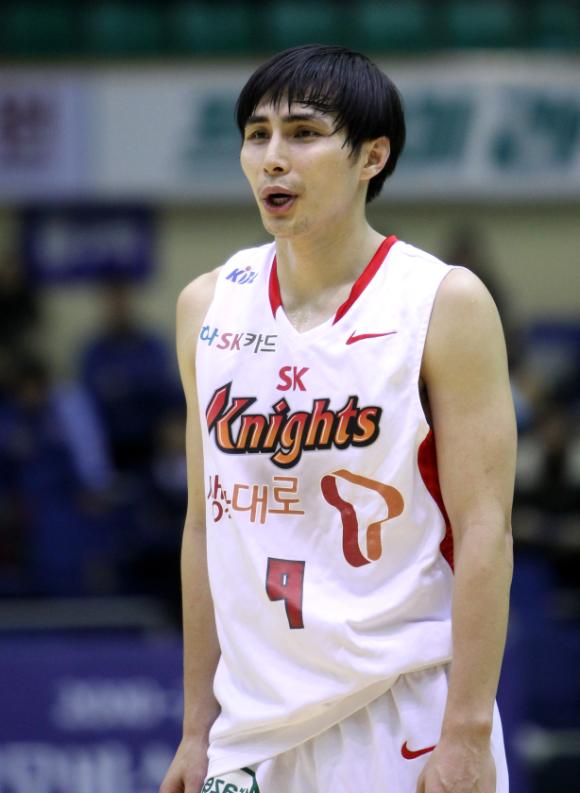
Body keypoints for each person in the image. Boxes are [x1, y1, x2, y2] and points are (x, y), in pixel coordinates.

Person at [160, 45, 516, 793]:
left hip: (401, 710)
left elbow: (485, 528)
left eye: (303, 133)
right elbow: (203, 527)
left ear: (371, 157)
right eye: (256, 135)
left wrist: (467, 732)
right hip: (249, 730)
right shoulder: (206, 306)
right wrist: (196, 730)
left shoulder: (443, 303)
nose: (272, 157)